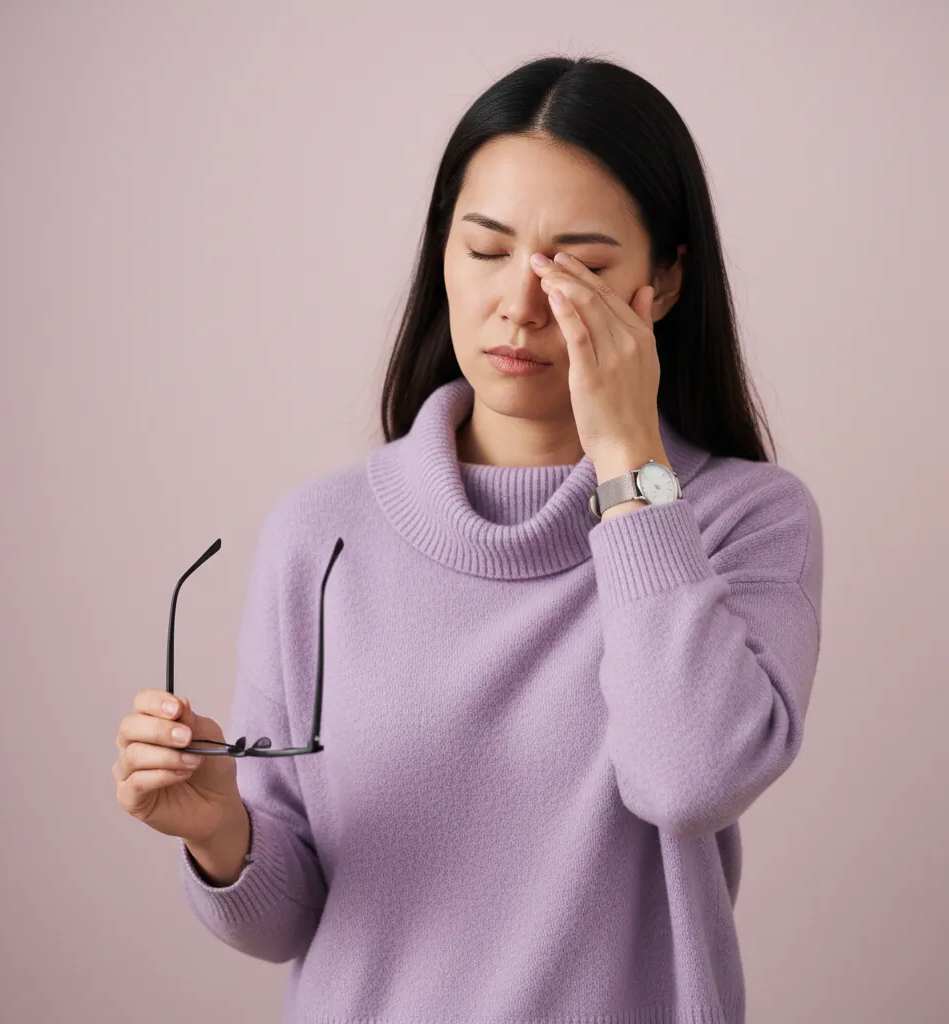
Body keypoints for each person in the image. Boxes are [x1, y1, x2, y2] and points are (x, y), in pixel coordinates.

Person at [113, 52, 823, 1024]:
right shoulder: (321, 536)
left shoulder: (739, 518)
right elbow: (287, 921)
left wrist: (627, 452)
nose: (519, 305)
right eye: (486, 249)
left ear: (661, 282)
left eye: (578, 267)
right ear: (442, 253)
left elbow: (688, 779)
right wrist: (219, 832)